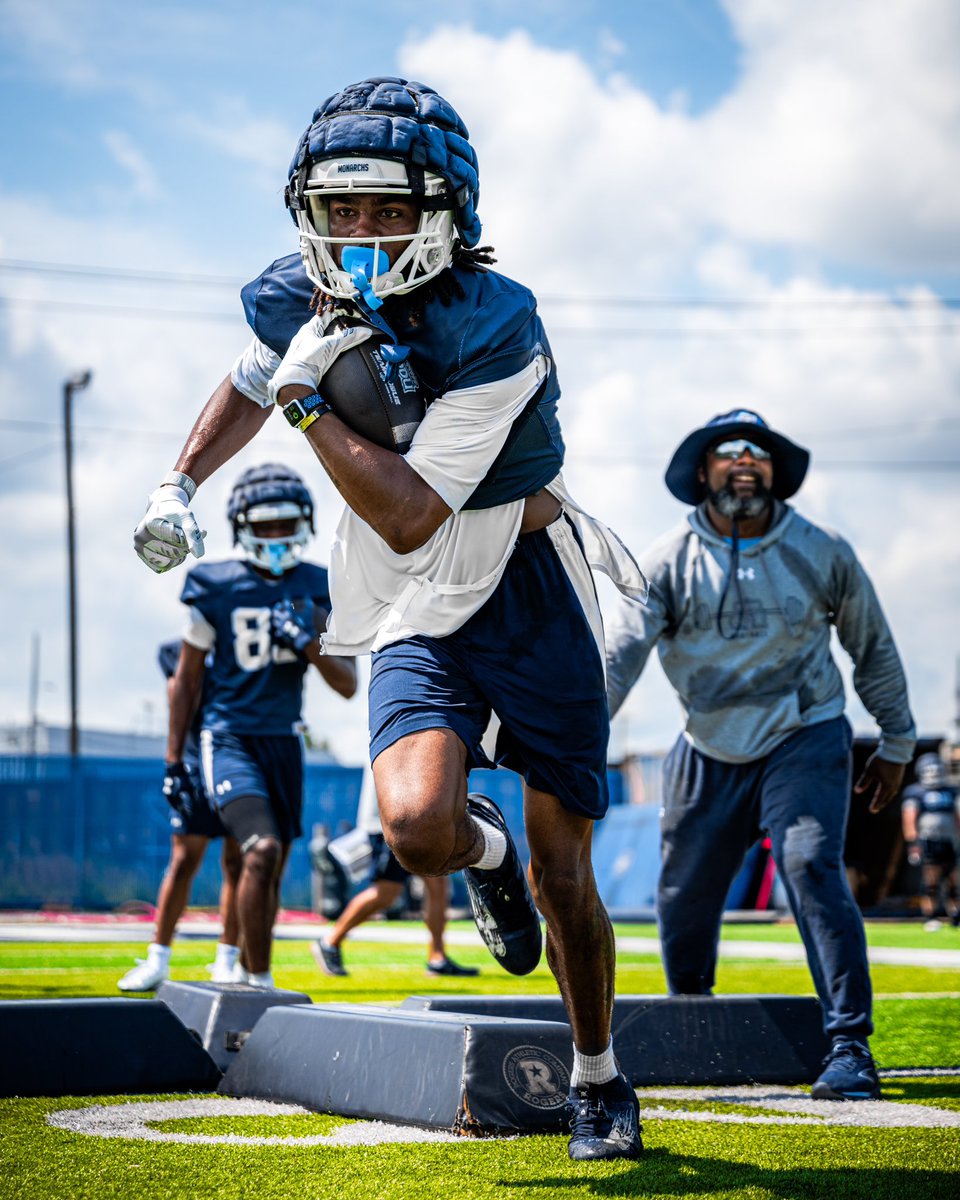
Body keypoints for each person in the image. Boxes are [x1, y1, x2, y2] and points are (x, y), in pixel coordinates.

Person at [133, 77, 646, 1160]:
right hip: (417, 604)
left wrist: (310, 406)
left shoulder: (498, 320)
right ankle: (483, 852)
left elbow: (411, 511)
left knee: (571, 877)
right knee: (417, 830)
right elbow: (248, 376)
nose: (361, 231)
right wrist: (177, 482)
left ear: (446, 208)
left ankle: (598, 1073)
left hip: (527, 584)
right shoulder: (291, 296)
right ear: (305, 210)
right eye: (340, 209)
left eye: (389, 208)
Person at [605, 409, 918, 1102]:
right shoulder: (664, 560)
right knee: (682, 894)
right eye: (729, 451)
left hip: (802, 732)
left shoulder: (820, 548)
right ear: (701, 472)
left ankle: (849, 1045)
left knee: (809, 862)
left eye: (760, 452)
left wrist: (896, 742)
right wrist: (569, 739)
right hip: (707, 741)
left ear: (775, 473)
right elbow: (618, 657)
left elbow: (874, 647)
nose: (747, 460)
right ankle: (691, 1019)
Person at [160, 462, 357, 988]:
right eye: (264, 525)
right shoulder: (215, 584)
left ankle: (247, 975)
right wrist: (173, 759)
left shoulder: (319, 584)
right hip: (228, 737)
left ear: (305, 523)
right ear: (241, 525)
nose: (275, 535)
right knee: (259, 849)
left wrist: (309, 643)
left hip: (284, 741)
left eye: (284, 524)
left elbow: (347, 684)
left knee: (270, 868)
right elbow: (185, 681)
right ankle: (258, 981)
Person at [118, 639, 243, 992]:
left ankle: (226, 960)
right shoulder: (179, 650)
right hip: (194, 763)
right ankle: (157, 958)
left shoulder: (242, 647)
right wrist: (172, 761)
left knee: (237, 861)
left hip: (236, 759)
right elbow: (179, 690)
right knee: (184, 859)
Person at [312, 767, 479, 978]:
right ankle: (330, 942)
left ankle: (437, 957)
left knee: (437, 884)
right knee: (386, 893)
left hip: (418, 820)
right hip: (391, 822)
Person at [901, 752, 960, 930]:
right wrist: (913, 844)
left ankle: (955, 916)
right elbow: (909, 818)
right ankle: (931, 916)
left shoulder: (951, 791)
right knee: (931, 881)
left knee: (953, 881)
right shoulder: (916, 792)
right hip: (928, 840)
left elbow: (957, 817)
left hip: (949, 841)